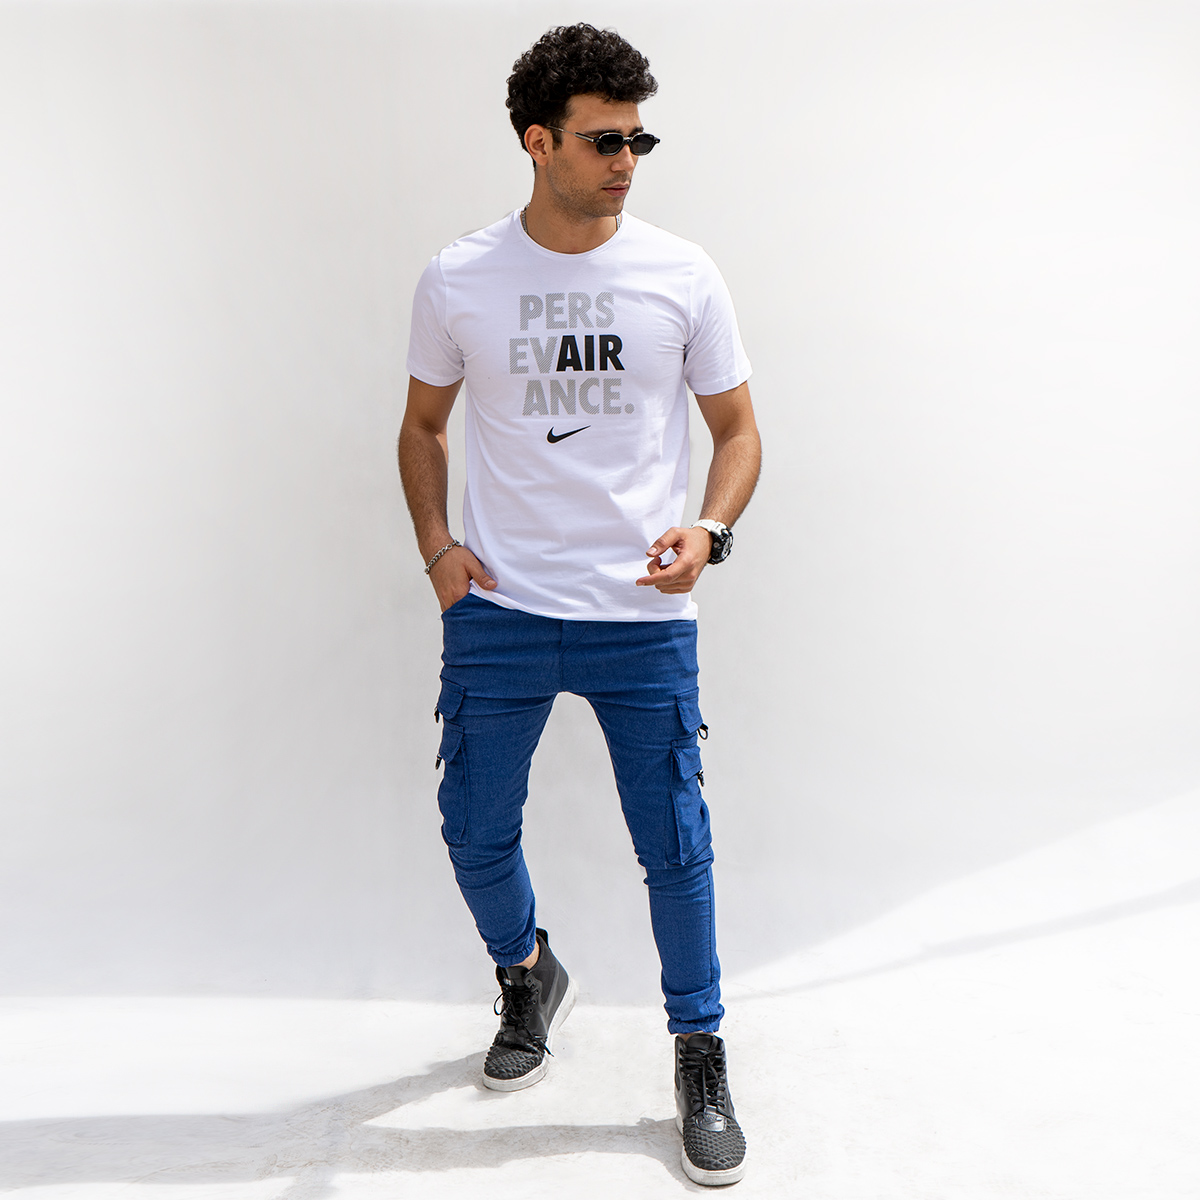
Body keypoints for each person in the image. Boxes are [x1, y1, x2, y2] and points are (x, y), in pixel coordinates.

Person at [398, 23, 760, 1187]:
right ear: (537, 141)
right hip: (499, 611)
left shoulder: (682, 274)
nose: (626, 161)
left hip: (641, 619)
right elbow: (421, 426)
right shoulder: (460, 277)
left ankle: (699, 1050)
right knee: (472, 829)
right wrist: (439, 551)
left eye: (638, 140)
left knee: (676, 848)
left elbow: (738, 431)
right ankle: (528, 972)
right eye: (604, 140)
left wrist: (709, 531)